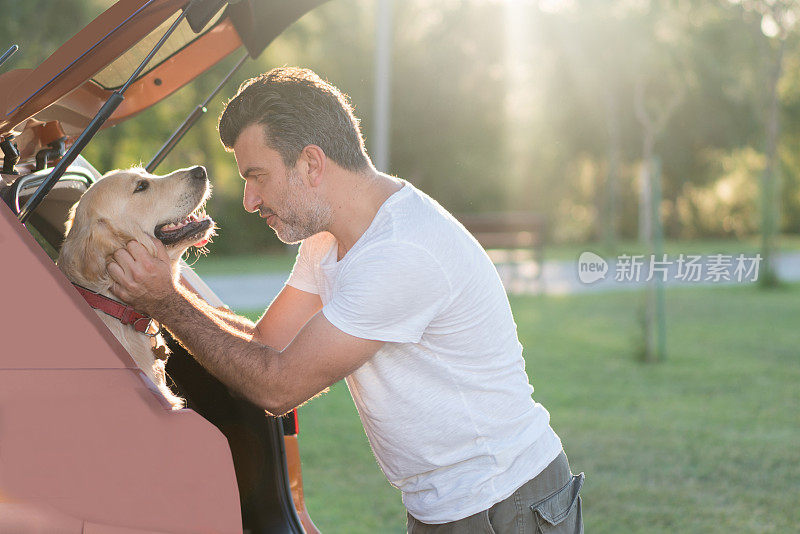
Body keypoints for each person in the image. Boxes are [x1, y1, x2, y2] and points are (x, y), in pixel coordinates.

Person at [107, 67, 584, 533]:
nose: (250, 200)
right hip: (445, 506)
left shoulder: (400, 251)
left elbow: (277, 387)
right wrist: (163, 286)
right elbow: (265, 342)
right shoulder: (329, 239)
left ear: (311, 164)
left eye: (258, 176)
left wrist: (165, 299)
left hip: (507, 504)